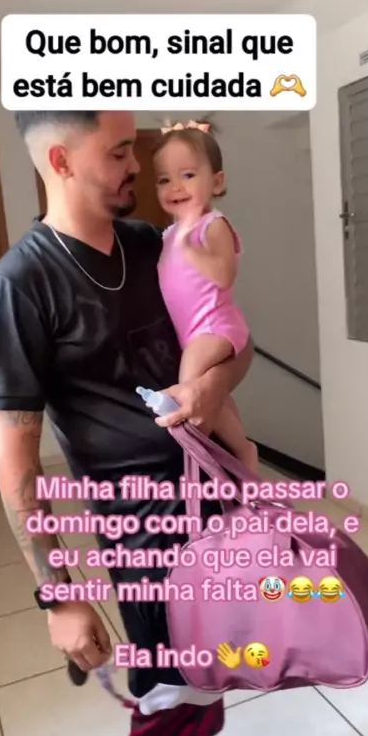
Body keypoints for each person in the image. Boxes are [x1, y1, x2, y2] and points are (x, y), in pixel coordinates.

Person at [0, 111, 254, 736]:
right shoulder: (17, 287)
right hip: (146, 539)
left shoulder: (155, 243)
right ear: (61, 162)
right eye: (120, 152)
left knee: (217, 677)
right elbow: (17, 464)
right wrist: (59, 598)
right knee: (166, 703)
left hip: (219, 504)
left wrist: (210, 389)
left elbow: (235, 341)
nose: (138, 166)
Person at [153, 118, 258, 474]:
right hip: (193, 332)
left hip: (215, 326)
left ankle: (206, 457)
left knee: (191, 388)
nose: (175, 187)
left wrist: (188, 247)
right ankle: (241, 450)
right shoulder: (170, 233)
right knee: (217, 396)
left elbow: (224, 275)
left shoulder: (212, 225)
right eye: (164, 179)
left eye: (187, 175)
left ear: (217, 181)